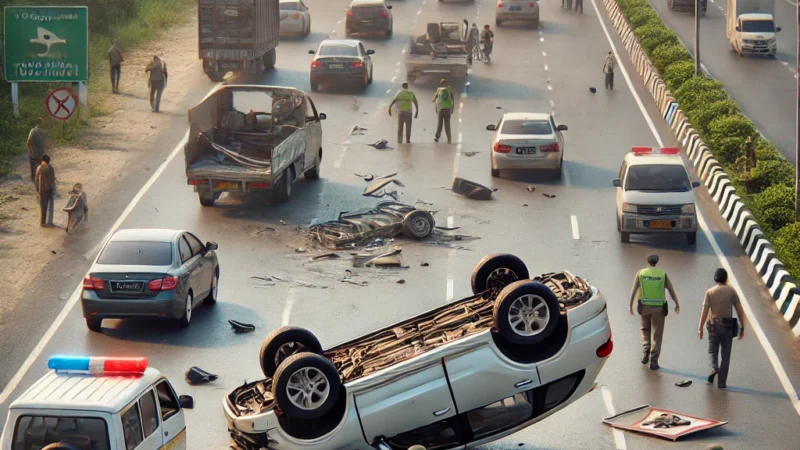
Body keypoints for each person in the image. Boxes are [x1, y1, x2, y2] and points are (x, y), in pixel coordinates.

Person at [628, 255, 681, 370]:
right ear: (656, 262)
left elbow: (634, 289)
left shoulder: (641, 273)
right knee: (657, 333)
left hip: (644, 307)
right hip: (659, 308)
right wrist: (676, 303)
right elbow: (671, 290)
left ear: (647, 262)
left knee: (644, 329)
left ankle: (646, 348)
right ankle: (654, 361)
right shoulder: (662, 274)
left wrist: (630, 305)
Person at [698, 268, 747, 389]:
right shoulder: (731, 291)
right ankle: (721, 383)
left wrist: (700, 327)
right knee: (725, 355)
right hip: (727, 326)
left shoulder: (709, 292)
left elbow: (704, 311)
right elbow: (739, 309)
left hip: (713, 325)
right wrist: (743, 327)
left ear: (715, 278)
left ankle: (714, 367)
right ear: (726, 278)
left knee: (713, 351)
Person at [26, 118, 50, 183]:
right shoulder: (44, 131)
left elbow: (28, 142)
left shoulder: (33, 130)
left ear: (36, 123)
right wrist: (46, 149)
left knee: (33, 165)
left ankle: (34, 179)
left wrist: (29, 150)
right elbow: (47, 143)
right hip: (41, 151)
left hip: (33, 150)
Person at [35, 155, 56, 227]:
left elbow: (38, 180)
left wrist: (38, 191)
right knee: (50, 206)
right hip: (49, 189)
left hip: (43, 190)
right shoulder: (51, 168)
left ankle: (43, 223)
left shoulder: (39, 168)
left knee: (43, 207)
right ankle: (50, 222)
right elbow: (52, 180)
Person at [433, 78, 454, 144]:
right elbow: (452, 99)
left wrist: (436, 106)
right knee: (447, 125)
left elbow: (434, 99)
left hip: (441, 109)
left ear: (440, 83)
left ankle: (437, 137)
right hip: (447, 109)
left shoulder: (439, 89)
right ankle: (449, 140)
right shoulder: (449, 89)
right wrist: (452, 108)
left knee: (440, 124)